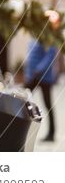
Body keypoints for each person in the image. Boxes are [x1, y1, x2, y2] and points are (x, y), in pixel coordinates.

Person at [23, 10, 61, 142]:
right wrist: (28, 72)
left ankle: (51, 134)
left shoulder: (50, 37)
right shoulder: (36, 35)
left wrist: (38, 71)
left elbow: (50, 57)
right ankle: (19, 129)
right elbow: (31, 55)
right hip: (32, 76)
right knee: (22, 100)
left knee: (47, 105)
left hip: (43, 77)